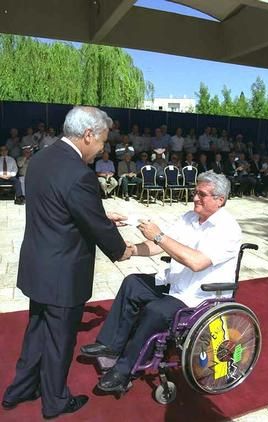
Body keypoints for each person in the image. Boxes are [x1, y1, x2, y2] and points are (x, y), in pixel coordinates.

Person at [1, 106, 133, 419]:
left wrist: (100, 214)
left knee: (37, 333)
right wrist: (121, 249)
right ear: (88, 135)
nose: (103, 147)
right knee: (60, 341)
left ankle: (18, 390)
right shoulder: (79, 174)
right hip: (64, 275)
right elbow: (93, 223)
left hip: (38, 265)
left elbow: (60, 207)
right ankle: (55, 401)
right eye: (102, 140)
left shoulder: (42, 158)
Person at [81, 171, 242, 394]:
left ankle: (124, 369)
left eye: (201, 194)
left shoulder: (228, 229)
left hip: (199, 295)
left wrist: (158, 236)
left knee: (156, 311)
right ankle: (111, 344)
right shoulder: (189, 218)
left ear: (219, 200)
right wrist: (133, 251)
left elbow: (196, 262)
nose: (195, 198)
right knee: (133, 283)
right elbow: (160, 246)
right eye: (195, 192)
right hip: (176, 283)